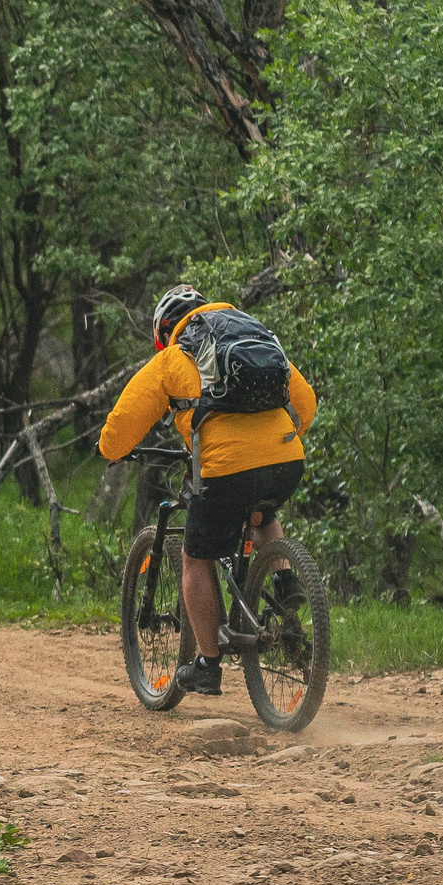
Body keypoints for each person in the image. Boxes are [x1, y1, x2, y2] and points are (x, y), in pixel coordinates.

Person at [98, 284, 318, 697]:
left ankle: (207, 665)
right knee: (262, 516)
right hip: (287, 458)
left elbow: (128, 416)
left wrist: (109, 448)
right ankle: (288, 587)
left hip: (224, 469)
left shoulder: (174, 354)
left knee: (195, 558)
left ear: (164, 330)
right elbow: (305, 404)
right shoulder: (254, 333)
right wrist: (275, 441)